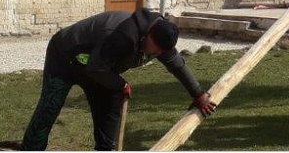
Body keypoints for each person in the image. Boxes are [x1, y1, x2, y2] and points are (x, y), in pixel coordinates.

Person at [18, 9, 216, 150]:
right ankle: (31, 148)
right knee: (50, 106)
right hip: (65, 56)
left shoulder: (162, 39)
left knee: (111, 101)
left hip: (99, 64)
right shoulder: (122, 36)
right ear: (148, 34)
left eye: (159, 53)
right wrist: (121, 83)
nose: (155, 54)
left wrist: (198, 94)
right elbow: (95, 68)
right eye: (154, 50)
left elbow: (178, 66)